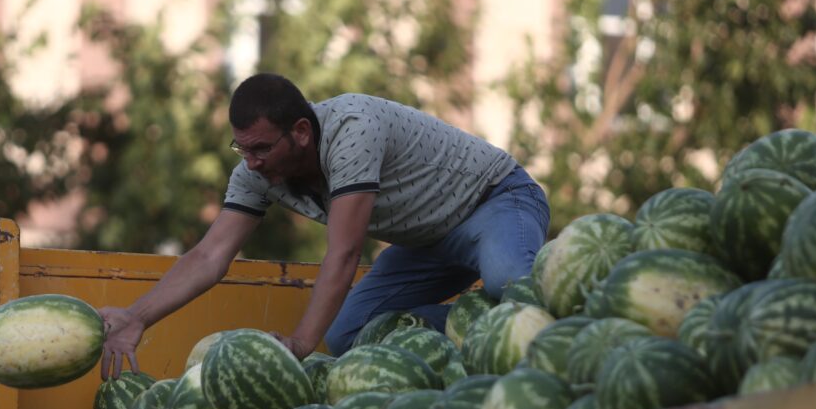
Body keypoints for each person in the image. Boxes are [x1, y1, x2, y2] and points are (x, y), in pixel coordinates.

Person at [99, 73, 549, 378]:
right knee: (347, 336)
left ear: (300, 132)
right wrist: (137, 318)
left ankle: (545, 327)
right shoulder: (257, 172)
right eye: (241, 150)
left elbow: (345, 253)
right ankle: (472, 329)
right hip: (429, 243)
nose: (251, 163)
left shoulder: (352, 128)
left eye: (260, 149)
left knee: (512, 283)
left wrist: (298, 344)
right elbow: (210, 255)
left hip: (496, 200)